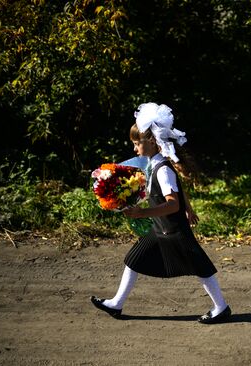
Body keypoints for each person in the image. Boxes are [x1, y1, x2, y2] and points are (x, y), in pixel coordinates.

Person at [91, 102, 231, 324]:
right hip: (160, 228)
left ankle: (221, 307)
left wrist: (142, 213)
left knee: (201, 268)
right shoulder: (155, 165)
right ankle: (116, 303)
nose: (135, 148)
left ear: (152, 141)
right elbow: (178, 190)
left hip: (173, 230)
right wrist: (190, 208)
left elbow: (172, 203)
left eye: (137, 143)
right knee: (133, 259)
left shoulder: (162, 169)